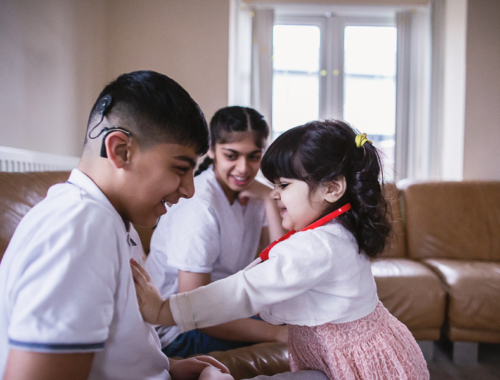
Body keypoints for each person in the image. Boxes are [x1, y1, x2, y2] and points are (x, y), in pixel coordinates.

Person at [132, 120, 430, 380]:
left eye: (284, 185)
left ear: (332, 189)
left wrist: (164, 309)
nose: (274, 193)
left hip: (355, 364)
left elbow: (245, 290)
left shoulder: (318, 246)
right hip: (365, 352)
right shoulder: (335, 232)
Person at [0, 70, 231, 380]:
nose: (189, 190)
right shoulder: (81, 227)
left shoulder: (114, 217)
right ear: (121, 150)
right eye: (180, 168)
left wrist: (171, 367)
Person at [145, 106, 288, 358]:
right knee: (300, 329)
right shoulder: (199, 205)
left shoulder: (254, 194)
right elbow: (193, 310)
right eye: (231, 156)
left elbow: (278, 268)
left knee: (307, 314)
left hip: (223, 309)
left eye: (254, 157)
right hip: (178, 330)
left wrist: (268, 199)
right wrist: (277, 334)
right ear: (212, 151)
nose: (243, 168)